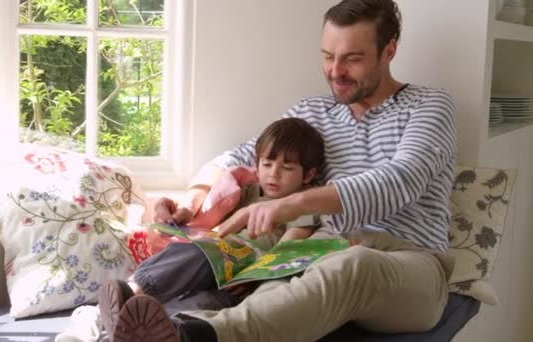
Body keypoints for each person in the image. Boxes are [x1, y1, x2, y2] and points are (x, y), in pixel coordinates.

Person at [106, 0, 457, 341]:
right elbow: (242, 156)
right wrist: (192, 201)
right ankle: (162, 326)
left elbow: (400, 181)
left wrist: (290, 206)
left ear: (389, 50)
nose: (335, 71)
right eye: (327, 56)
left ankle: (201, 336)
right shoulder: (313, 112)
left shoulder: (429, 106)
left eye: (352, 58)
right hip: (319, 250)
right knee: (270, 283)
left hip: (409, 264)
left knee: (353, 265)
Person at [99, 117, 328, 341]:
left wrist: (254, 277)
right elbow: (212, 208)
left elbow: (289, 248)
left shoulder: (303, 203)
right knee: (194, 253)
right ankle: (134, 291)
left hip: (242, 278)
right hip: (215, 254)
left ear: (308, 175)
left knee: (207, 304)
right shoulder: (249, 191)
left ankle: (153, 330)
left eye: (287, 168)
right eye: (266, 164)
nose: (273, 174)